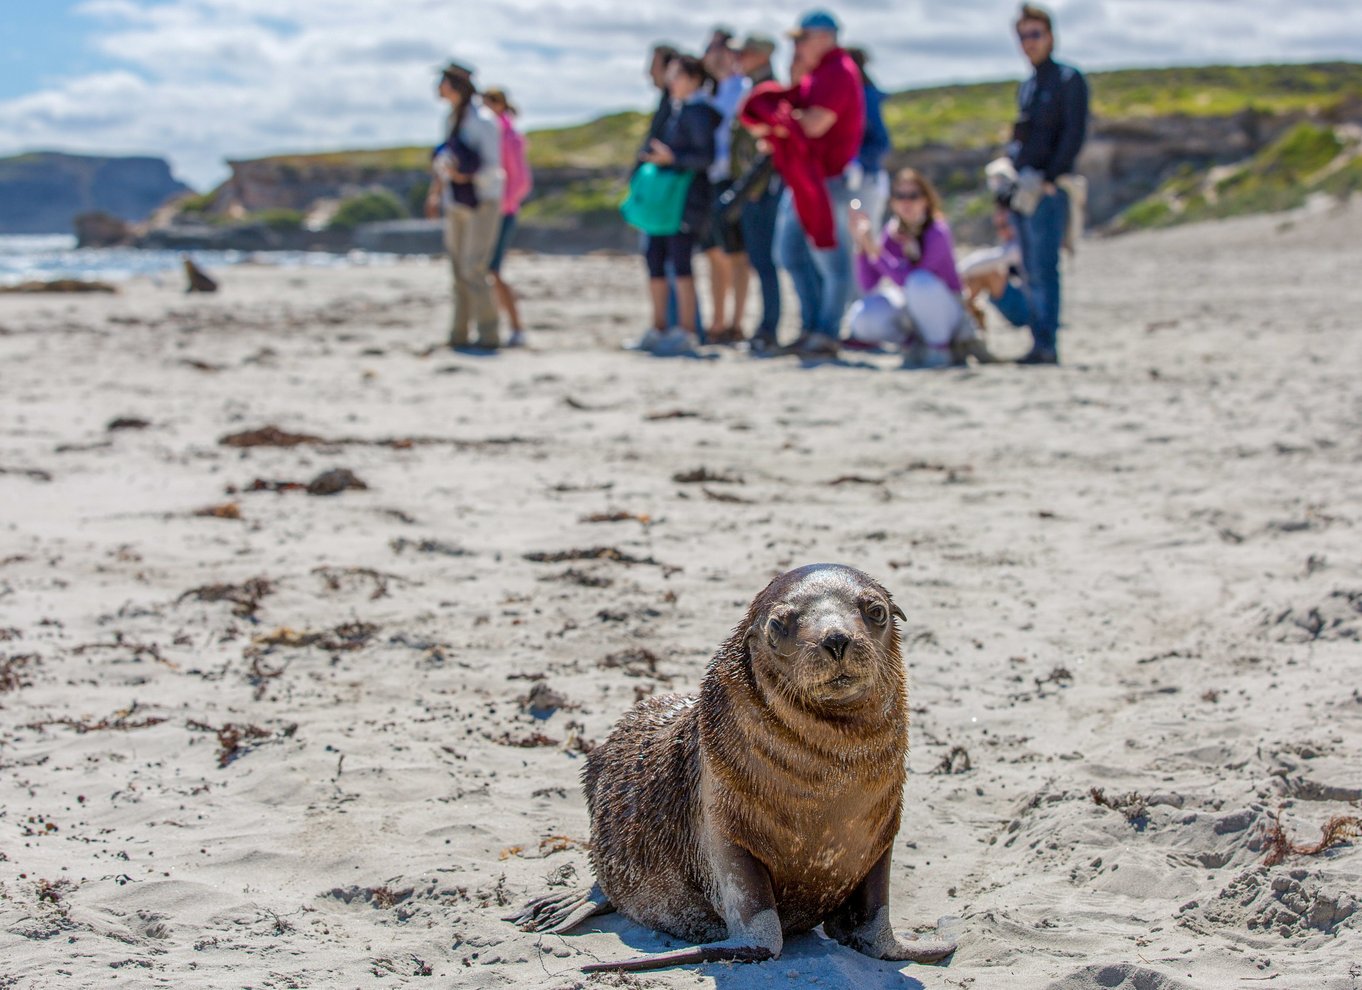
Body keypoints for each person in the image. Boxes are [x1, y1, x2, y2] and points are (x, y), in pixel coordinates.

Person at [770, 10, 864, 358]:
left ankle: (826, 332)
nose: (797, 46)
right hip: (804, 179)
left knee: (833, 261)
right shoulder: (817, 73)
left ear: (825, 37)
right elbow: (797, 117)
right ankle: (812, 327)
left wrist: (777, 121)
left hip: (829, 181)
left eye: (802, 38)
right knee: (790, 253)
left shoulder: (838, 71)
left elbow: (814, 124)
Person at [1008, 3, 1088, 365]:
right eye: (1023, 35)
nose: (1029, 42)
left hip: (1049, 188)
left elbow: (1074, 133)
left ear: (1050, 36)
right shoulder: (1027, 86)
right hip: (1023, 188)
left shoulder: (1068, 80)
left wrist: (1054, 177)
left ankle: (1047, 343)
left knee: (1044, 266)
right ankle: (1037, 339)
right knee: (1028, 267)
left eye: (1035, 34)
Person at [634, 55, 720, 356]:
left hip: (686, 201)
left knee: (681, 263)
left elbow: (705, 158)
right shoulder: (674, 110)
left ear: (694, 79)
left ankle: (686, 330)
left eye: (677, 76)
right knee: (655, 260)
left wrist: (673, 159)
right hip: (663, 202)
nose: (672, 82)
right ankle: (659, 327)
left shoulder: (699, 113)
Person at [849, 168, 968, 367]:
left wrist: (876, 253)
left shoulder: (937, 231)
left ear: (926, 200)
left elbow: (907, 279)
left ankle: (939, 348)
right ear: (892, 202)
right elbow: (868, 284)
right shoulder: (893, 231)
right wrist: (862, 246)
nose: (906, 202)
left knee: (919, 282)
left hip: (947, 311)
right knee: (863, 317)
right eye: (900, 196)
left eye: (913, 196)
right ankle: (912, 344)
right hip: (912, 310)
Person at [425, 62, 504, 350]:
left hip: (482, 201)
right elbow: (444, 161)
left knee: (474, 268)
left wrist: (465, 175)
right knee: (458, 270)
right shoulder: (451, 119)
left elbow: (493, 166)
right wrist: (436, 193)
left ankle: (489, 334)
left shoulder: (483, 120)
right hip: (455, 201)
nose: (437, 89)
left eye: (442, 83)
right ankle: (458, 333)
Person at [729, 34, 782, 351]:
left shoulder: (769, 92)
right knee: (760, 260)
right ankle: (765, 327)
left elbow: (770, 149)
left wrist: (753, 190)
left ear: (760, 56)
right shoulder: (756, 90)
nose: (738, 59)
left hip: (761, 191)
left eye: (744, 54)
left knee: (765, 261)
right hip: (753, 189)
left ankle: (768, 328)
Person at [701, 34, 749, 344]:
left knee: (736, 253)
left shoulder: (743, 89)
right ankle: (717, 321)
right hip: (708, 178)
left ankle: (736, 322)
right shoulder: (706, 91)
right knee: (714, 252)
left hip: (734, 179)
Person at [481, 87, 532, 348]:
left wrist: (502, 204)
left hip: (503, 212)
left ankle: (516, 326)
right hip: (491, 211)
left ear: (499, 105)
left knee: (492, 270)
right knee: (487, 271)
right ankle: (502, 326)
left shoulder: (507, 135)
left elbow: (521, 180)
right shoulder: (492, 132)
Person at [846, 48, 891, 235]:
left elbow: (882, 142)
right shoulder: (861, 94)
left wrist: (855, 160)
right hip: (858, 179)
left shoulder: (865, 96)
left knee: (864, 237)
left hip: (865, 180)